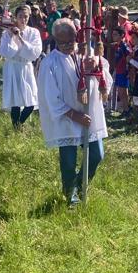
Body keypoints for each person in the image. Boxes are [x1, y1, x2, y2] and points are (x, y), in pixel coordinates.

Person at [38, 18, 112, 207]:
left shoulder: (85, 54)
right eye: (62, 42)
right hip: (67, 118)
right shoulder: (50, 63)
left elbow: (105, 71)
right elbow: (50, 96)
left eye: (71, 41)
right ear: (55, 39)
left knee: (97, 154)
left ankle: (79, 185)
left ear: (76, 36)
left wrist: (95, 67)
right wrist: (75, 115)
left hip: (89, 114)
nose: (67, 46)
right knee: (69, 161)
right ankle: (70, 195)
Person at [0, 4, 42, 129]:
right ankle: (16, 128)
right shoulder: (8, 33)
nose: (23, 19)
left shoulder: (34, 32)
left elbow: (34, 52)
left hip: (26, 67)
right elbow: (5, 52)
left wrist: (20, 39)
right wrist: (13, 36)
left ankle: (20, 123)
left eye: (26, 17)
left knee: (31, 100)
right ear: (15, 17)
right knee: (15, 100)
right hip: (12, 67)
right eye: (20, 16)